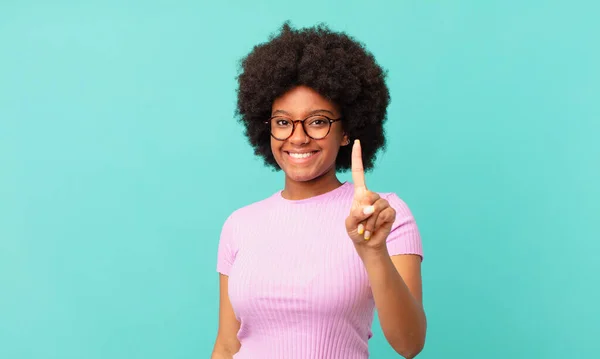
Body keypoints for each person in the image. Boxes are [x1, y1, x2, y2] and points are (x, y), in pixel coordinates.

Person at [211, 22, 426, 359]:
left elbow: (409, 343)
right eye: (283, 122)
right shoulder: (239, 224)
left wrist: (373, 252)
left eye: (318, 121)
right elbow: (226, 345)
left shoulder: (382, 216)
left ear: (346, 131)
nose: (298, 138)